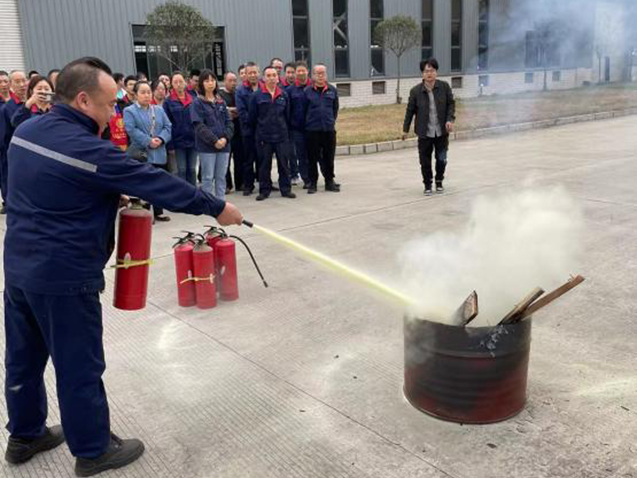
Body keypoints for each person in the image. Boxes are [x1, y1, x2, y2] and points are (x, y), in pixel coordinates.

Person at [3, 56, 243, 477]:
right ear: (81, 100)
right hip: (64, 275)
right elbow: (157, 183)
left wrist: (102, 197)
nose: (113, 112)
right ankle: (93, 450)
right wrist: (216, 206)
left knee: (23, 358)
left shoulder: (26, 131)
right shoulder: (88, 150)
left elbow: (54, 186)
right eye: (109, 104)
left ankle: (24, 435)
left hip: (20, 268)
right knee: (79, 365)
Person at [402, 58, 455, 195]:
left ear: (436, 72)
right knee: (424, 161)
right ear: (422, 74)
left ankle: (439, 181)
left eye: (432, 71)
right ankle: (427, 184)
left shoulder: (444, 87)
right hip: (424, 132)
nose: (429, 74)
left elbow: (451, 104)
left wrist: (449, 120)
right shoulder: (415, 91)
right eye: (426, 71)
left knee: (441, 159)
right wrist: (405, 129)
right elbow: (410, 111)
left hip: (441, 132)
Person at [124, 80, 172, 222]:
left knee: (158, 182)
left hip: (159, 151)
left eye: (148, 92)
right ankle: (145, 213)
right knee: (145, 183)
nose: (146, 95)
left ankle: (158, 211)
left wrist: (161, 139)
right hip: (142, 152)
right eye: (142, 92)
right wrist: (148, 141)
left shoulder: (158, 110)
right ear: (136, 94)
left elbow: (168, 127)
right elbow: (131, 130)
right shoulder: (129, 111)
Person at [248, 66, 295, 201]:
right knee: (264, 165)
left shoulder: (284, 94)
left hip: (281, 136)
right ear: (263, 78)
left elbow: (287, 116)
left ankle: (285, 189)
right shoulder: (256, 96)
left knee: (284, 165)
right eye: (268, 75)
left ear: (278, 77)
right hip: (264, 137)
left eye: (274, 75)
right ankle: (264, 190)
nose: (271, 78)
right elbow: (252, 118)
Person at [191, 70, 233, 200]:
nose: (210, 83)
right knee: (208, 178)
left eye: (213, 80)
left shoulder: (221, 102)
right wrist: (215, 140)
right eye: (207, 80)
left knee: (221, 177)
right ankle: (208, 203)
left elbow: (229, 122)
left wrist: (225, 138)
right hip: (207, 147)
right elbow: (199, 126)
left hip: (224, 147)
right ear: (201, 84)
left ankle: (221, 203)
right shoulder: (197, 103)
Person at [304, 63, 340, 194]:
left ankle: (329, 182)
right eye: (317, 73)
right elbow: (303, 111)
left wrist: (330, 122)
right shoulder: (307, 91)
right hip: (312, 131)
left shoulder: (332, 90)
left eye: (323, 73)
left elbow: (335, 109)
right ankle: (312, 183)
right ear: (312, 75)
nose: (320, 76)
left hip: (328, 130)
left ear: (326, 74)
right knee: (312, 158)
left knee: (329, 157)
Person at [0, 70, 29, 211]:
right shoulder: (7, 109)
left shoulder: (34, 104)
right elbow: (4, 139)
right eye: (17, 82)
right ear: (11, 85)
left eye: (24, 80)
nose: (22, 85)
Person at [163, 71, 197, 185]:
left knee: (192, 170)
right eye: (175, 82)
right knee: (181, 170)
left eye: (180, 81)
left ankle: (193, 195)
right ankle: (183, 196)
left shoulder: (193, 99)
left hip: (193, 140)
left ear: (185, 83)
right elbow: (167, 124)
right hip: (178, 142)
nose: (178, 84)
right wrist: (170, 145)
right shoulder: (168, 102)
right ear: (171, 84)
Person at [235, 62, 261, 196]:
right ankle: (248, 185)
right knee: (248, 159)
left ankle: (264, 184)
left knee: (263, 159)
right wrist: (255, 123)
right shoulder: (240, 90)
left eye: (254, 72)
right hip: (248, 131)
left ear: (259, 73)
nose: (252, 75)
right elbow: (242, 112)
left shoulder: (264, 87)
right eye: (249, 73)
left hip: (263, 131)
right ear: (246, 74)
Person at [287, 61, 311, 187]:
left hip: (312, 128)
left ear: (308, 71)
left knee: (313, 154)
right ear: (295, 73)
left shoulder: (313, 86)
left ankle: (315, 177)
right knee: (301, 155)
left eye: (303, 70)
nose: (301, 73)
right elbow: (288, 110)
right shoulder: (290, 91)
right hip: (297, 129)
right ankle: (307, 179)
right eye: (298, 71)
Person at [219, 71, 244, 193]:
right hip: (226, 132)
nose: (233, 83)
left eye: (235, 80)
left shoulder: (238, 93)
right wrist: (230, 111)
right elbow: (222, 110)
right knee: (226, 161)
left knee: (240, 159)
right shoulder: (220, 95)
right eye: (230, 80)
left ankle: (240, 183)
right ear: (224, 81)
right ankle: (227, 185)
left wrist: (232, 110)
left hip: (239, 131)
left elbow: (242, 108)